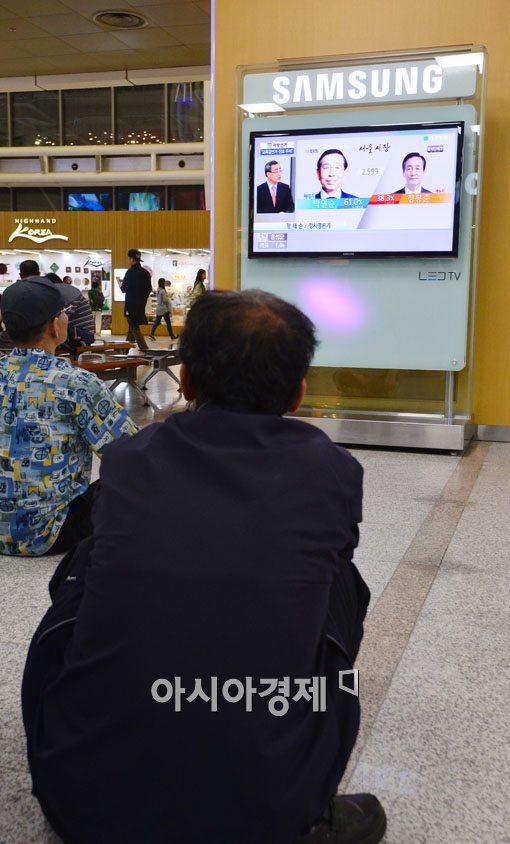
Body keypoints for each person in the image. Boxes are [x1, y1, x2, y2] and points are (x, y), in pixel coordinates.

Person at [22, 289, 386, 844]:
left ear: (186, 381)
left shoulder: (128, 461)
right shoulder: (332, 471)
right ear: (297, 392)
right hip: (271, 812)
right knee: (337, 578)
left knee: (94, 558)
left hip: (79, 801)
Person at [0, 277, 137, 556]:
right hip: (52, 532)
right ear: (54, 326)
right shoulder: (75, 382)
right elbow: (130, 452)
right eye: (63, 313)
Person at [46, 273, 95, 349]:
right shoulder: (69, 291)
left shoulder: (67, 294)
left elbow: (61, 319)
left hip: (83, 334)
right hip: (80, 332)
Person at [120, 248, 152, 351]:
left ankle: (145, 350)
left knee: (134, 328)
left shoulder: (130, 272)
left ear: (132, 259)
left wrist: (119, 283)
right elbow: (148, 289)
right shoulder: (146, 273)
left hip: (131, 306)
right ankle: (124, 351)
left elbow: (123, 289)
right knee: (131, 329)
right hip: (140, 306)